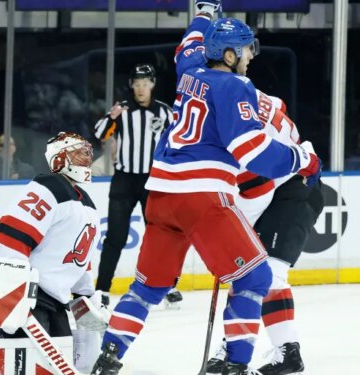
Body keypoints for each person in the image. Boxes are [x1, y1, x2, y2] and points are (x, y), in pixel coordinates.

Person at [91, 1, 321, 374]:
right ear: (229, 54)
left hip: (161, 195)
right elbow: (253, 152)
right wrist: (303, 159)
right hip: (201, 195)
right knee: (257, 277)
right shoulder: (237, 86)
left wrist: (203, 13)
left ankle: (108, 356)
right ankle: (237, 365)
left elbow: (188, 43)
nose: (249, 56)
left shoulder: (189, 72)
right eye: (245, 49)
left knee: (148, 287)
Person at [205, 90, 324, 374]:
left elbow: (257, 190)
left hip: (293, 188)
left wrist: (230, 238)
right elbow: (280, 104)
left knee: (267, 275)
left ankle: (288, 353)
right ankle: (235, 345)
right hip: (281, 186)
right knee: (247, 274)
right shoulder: (243, 95)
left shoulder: (232, 128)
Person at [0, 132, 108, 373]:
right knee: (27, 367)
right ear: (59, 159)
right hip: (22, 291)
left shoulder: (88, 205)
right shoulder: (48, 188)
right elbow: (9, 238)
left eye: (86, 154)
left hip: (52, 300)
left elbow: (78, 262)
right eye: (77, 154)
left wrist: (88, 298)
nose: (86, 159)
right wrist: (13, 294)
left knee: (59, 366)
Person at [92, 63, 179, 307]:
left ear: (152, 85)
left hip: (153, 181)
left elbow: (179, 141)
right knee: (116, 236)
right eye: (137, 84)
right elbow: (100, 133)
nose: (140, 89)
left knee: (160, 236)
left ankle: (167, 286)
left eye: (145, 84)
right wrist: (111, 116)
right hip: (124, 180)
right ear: (132, 86)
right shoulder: (123, 110)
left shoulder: (165, 112)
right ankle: (102, 290)